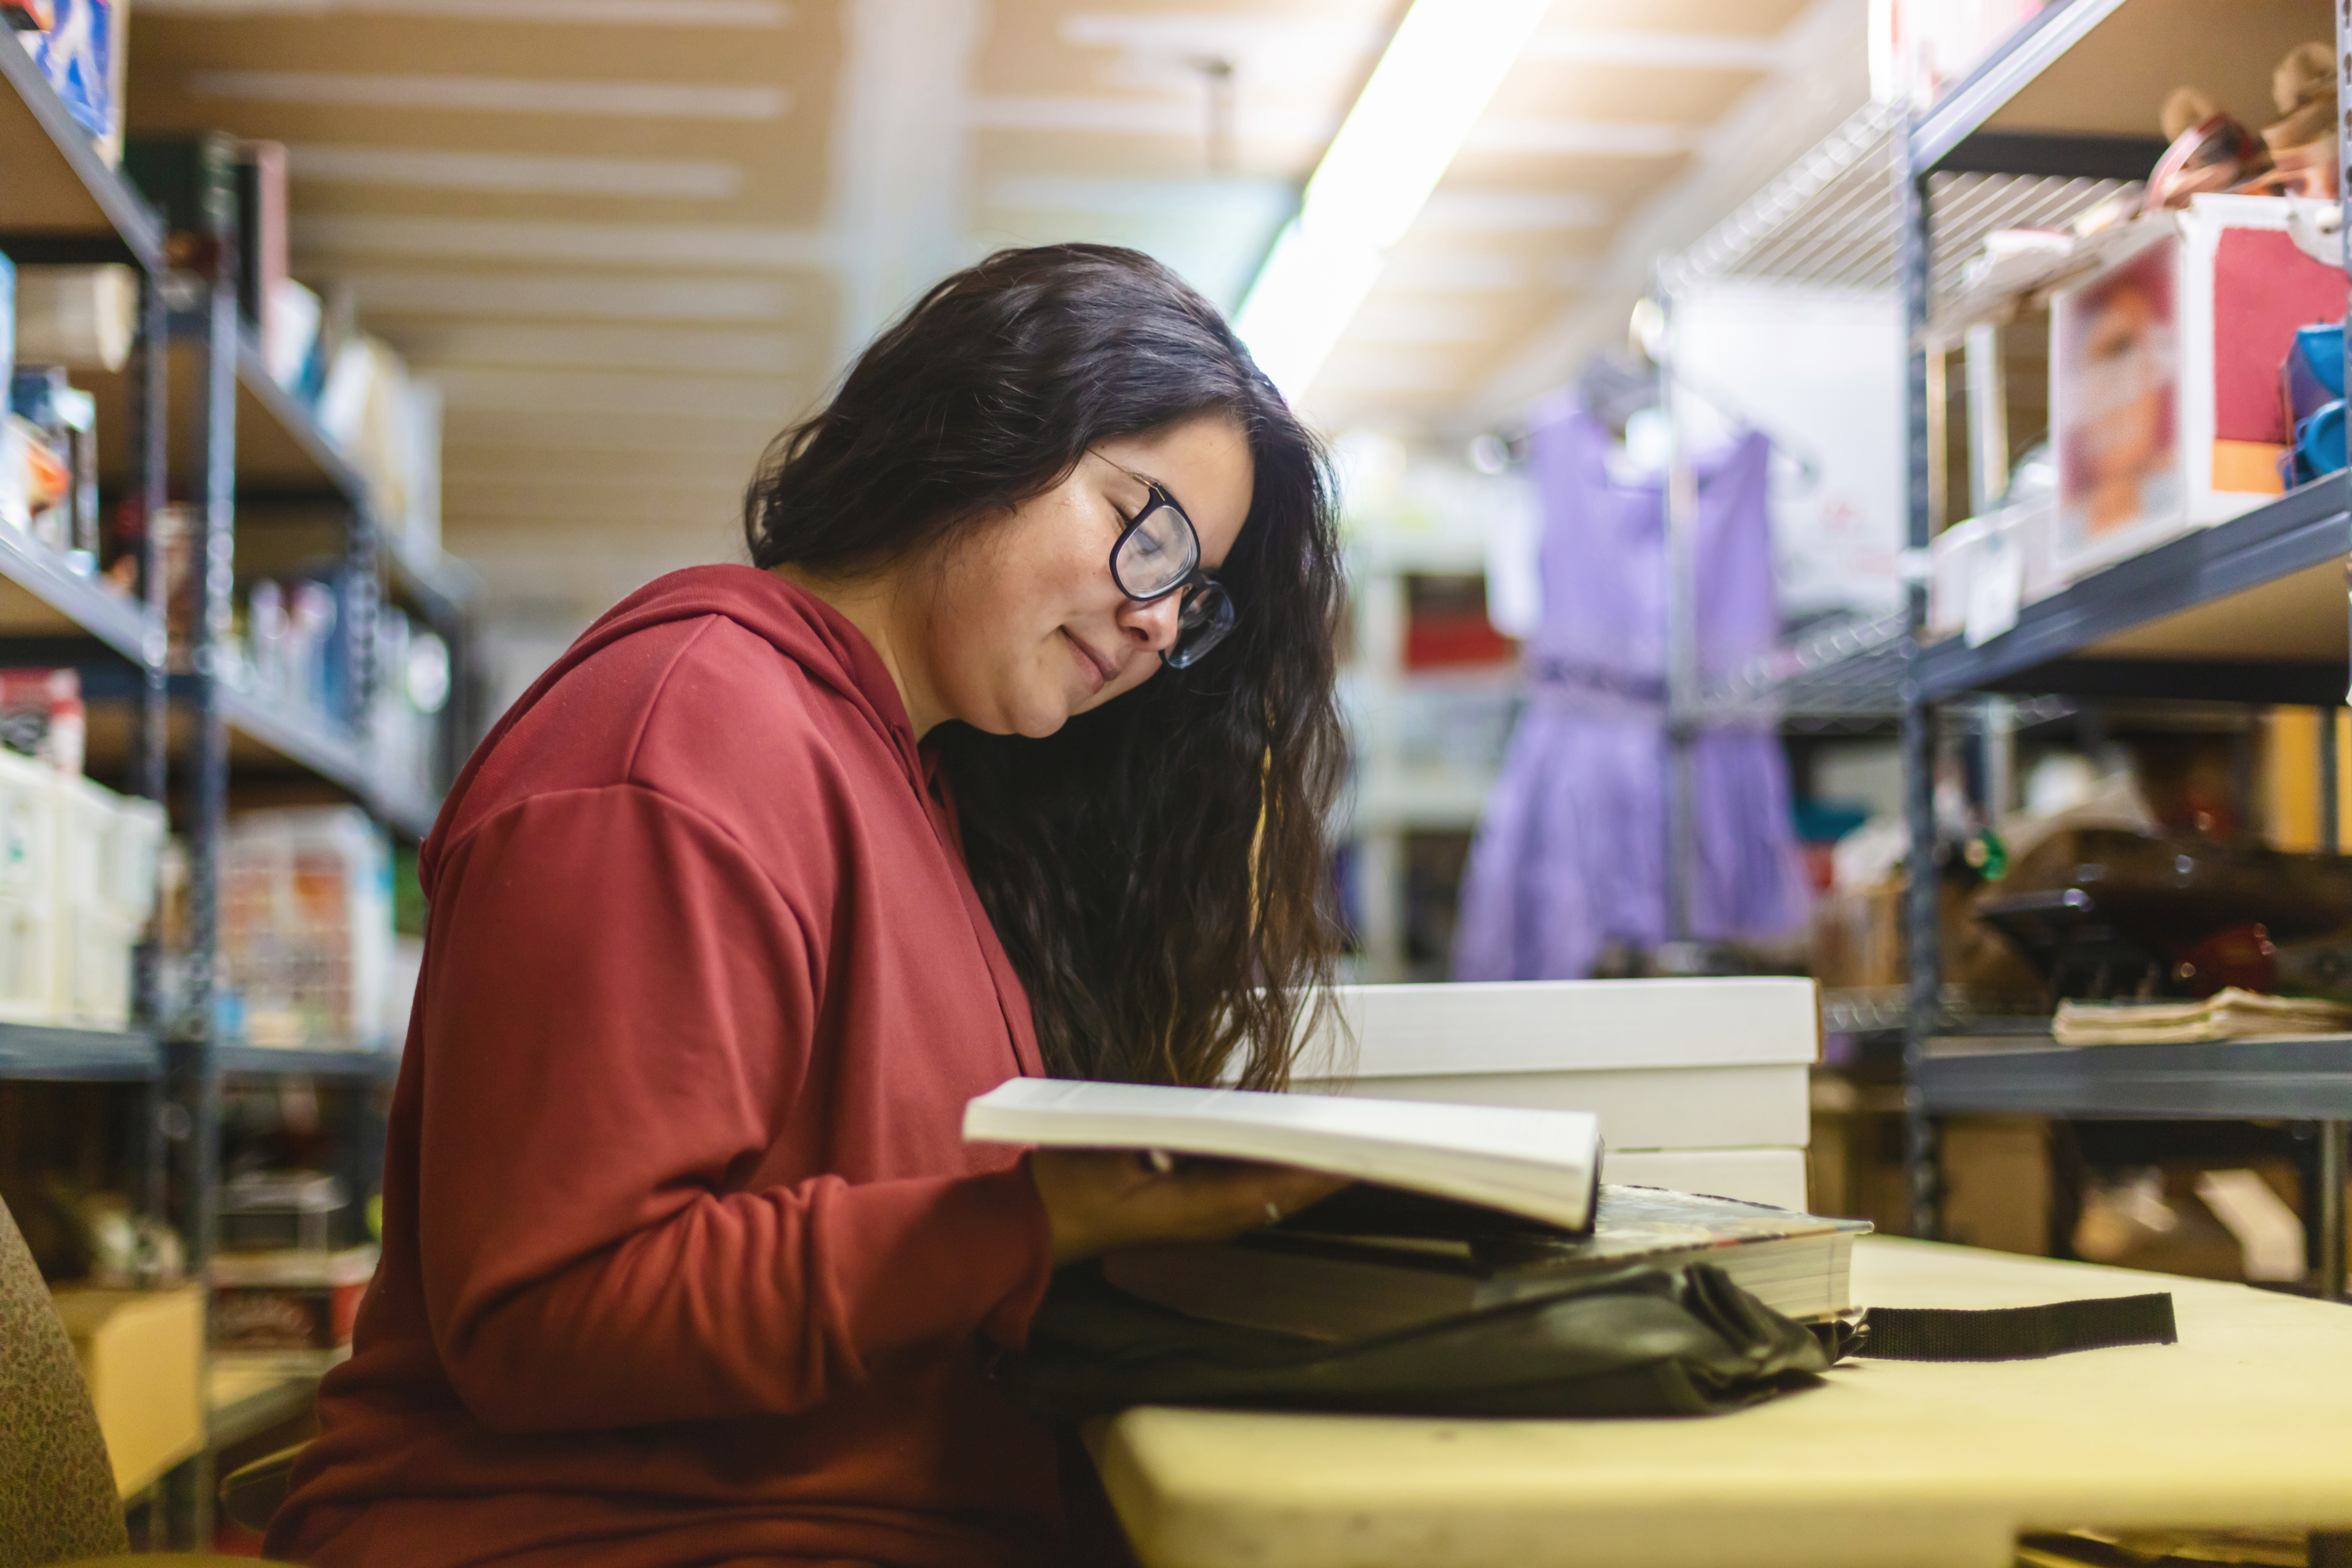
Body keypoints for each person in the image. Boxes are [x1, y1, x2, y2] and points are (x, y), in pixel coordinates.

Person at [267, 245, 1350, 1567]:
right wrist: (1031, 1219)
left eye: (1190, 594)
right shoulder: (681, 735)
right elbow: (552, 1316)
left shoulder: (910, 784)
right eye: (1150, 530)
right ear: (986, 423)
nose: (1156, 621)